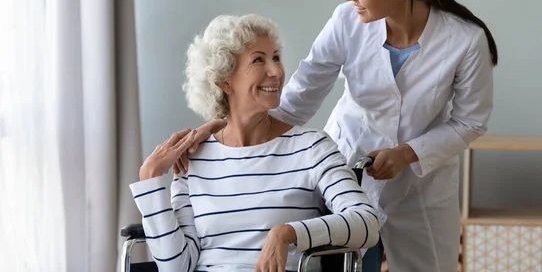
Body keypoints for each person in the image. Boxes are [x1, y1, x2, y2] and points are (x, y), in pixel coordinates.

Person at [178, 0, 497, 271]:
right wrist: (231, 129)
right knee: (343, 263)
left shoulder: (465, 40)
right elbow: (303, 91)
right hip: (346, 167)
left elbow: (470, 122)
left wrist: (407, 153)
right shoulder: (347, 21)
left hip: (420, 187)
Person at [130, 14, 380, 272]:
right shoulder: (194, 161)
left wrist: (287, 233)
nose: (276, 71)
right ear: (225, 81)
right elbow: (176, 267)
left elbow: (366, 223)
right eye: (259, 59)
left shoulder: (311, 148)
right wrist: (150, 177)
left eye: (276, 58)